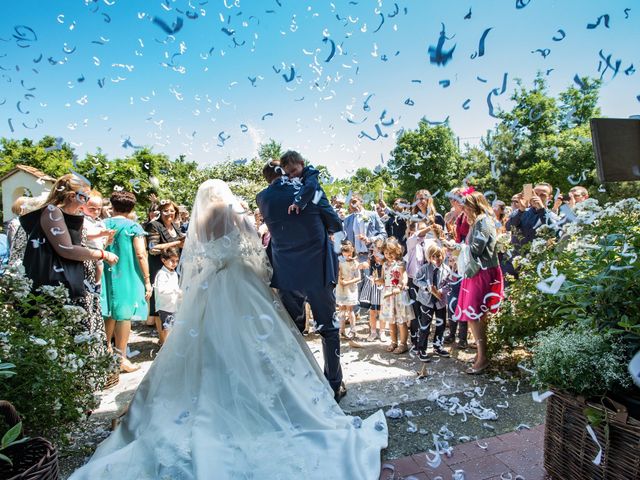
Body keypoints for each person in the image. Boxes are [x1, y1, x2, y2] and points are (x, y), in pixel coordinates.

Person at [70, 179, 387, 479]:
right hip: (241, 281)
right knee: (259, 340)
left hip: (213, 283)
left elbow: (197, 256)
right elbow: (254, 249)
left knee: (209, 340)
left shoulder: (203, 219)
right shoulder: (232, 211)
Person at [257, 158, 347, 403]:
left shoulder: (262, 199)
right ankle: (333, 384)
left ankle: (297, 385)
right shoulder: (310, 191)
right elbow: (335, 223)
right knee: (328, 328)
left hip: (286, 273)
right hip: (317, 270)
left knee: (293, 330)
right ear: (285, 172)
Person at [19, 174, 118, 302]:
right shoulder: (52, 212)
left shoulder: (71, 214)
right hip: (55, 284)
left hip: (74, 279)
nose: (87, 201)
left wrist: (102, 238)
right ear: (72, 196)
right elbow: (66, 249)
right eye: (85, 197)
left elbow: (77, 242)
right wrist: (103, 254)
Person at [454, 191, 504, 374]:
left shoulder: (483, 221)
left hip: (482, 272)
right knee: (475, 316)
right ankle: (481, 355)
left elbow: (476, 249)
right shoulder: (478, 221)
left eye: (465, 205)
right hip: (476, 271)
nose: (463, 209)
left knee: (474, 316)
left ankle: (483, 358)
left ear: (475, 205)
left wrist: (453, 247)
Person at [101, 191, 152, 373]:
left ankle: (104, 355)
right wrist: (147, 280)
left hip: (106, 274)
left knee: (108, 313)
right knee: (123, 316)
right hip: (127, 274)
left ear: (112, 206)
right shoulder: (133, 227)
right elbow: (141, 253)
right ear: (132, 208)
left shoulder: (102, 224)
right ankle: (120, 357)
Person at [145, 199, 185, 334]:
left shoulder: (175, 226)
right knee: (160, 304)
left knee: (172, 302)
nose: (169, 213)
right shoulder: (155, 226)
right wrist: (175, 243)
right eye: (166, 210)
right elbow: (152, 248)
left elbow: (181, 244)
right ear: (160, 212)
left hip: (174, 268)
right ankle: (162, 340)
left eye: (172, 210)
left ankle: (168, 337)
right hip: (159, 268)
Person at [280, 150, 341, 234]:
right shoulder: (293, 178)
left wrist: (298, 202)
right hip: (310, 205)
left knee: (327, 212)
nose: (291, 175)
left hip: (318, 198)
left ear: (302, 164)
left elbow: (310, 186)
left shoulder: (310, 173)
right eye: (288, 174)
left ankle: (338, 229)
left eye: (293, 170)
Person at [414, 244, 453, 361]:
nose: (436, 258)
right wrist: (426, 287)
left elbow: (449, 284)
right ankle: (422, 348)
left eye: (439, 255)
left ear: (443, 255)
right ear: (429, 258)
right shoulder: (424, 268)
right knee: (425, 325)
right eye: (433, 256)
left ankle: (438, 346)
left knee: (440, 325)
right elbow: (416, 280)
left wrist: (441, 291)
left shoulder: (446, 269)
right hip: (427, 302)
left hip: (440, 302)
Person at [380, 238, 414, 354]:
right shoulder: (384, 264)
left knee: (401, 321)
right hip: (388, 295)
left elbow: (404, 277)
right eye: (386, 253)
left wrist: (401, 285)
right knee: (391, 321)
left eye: (391, 252)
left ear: (397, 251)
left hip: (398, 294)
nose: (388, 255)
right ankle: (393, 341)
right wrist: (377, 280)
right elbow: (383, 279)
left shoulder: (400, 264)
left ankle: (403, 344)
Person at [153, 248, 182, 346]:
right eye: (172, 261)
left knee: (172, 327)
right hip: (164, 306)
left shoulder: (173, 273)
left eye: (177, 261)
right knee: (167, 327)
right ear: (163, 260)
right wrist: (176, 291)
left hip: (172, 305)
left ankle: (170, 346)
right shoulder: (162, 274)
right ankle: (165, 346)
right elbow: (161, 290)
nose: (175, 264)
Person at [359, 239, 385, 342]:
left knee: (382, 311)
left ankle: (382, 332)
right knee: (372, 311)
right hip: (372, 285)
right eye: (374, 249)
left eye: (377, 249)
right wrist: (362, 265)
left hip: (382, 286)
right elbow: (367, 264)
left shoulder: (385, 260)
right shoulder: (371, 258)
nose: (375, 251)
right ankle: (373, 332)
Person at [335, 241, 361, 339]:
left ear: (352, 252)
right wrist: (340, 279)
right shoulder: (340, 262)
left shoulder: (355, 263)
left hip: (351, 289)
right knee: (341, 309)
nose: (348, 257)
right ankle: (341, 330)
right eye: (345, 255)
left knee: (350, 310)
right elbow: (338, 273)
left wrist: (348, 282)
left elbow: (358, 277)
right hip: (341, 288)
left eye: (349, 255)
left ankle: (353, 330)